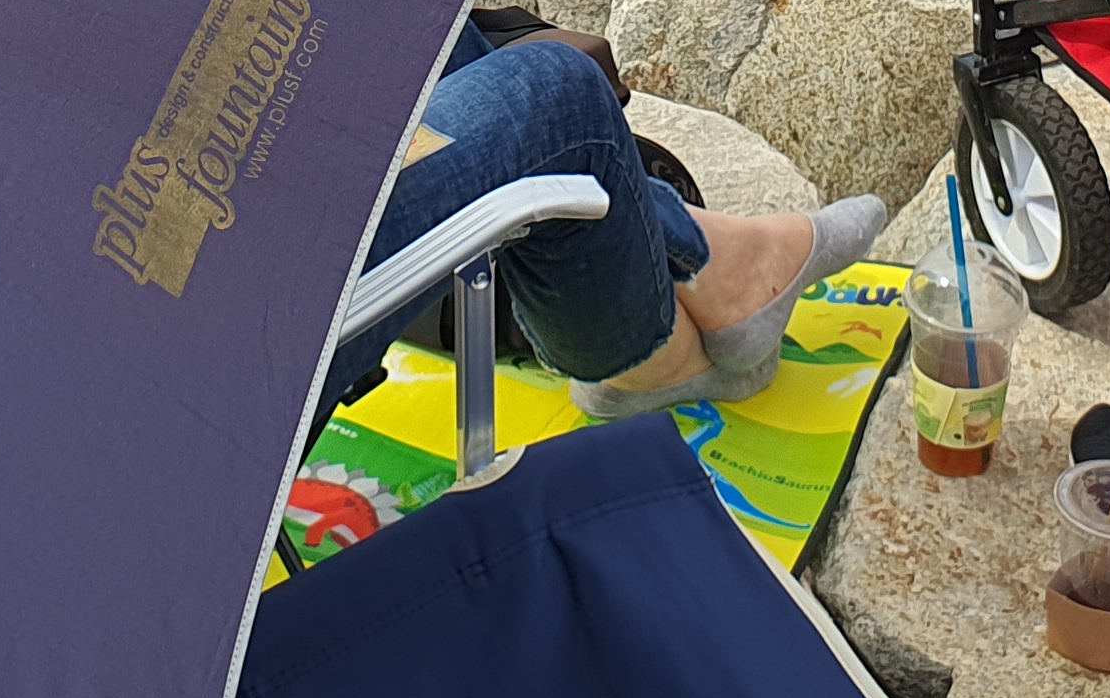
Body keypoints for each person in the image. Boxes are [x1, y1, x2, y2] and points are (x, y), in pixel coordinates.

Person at [330, 22, 885, 421]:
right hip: (290, 331)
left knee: (388, 13)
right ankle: (656, 346)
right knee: (561, 97)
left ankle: (702, 282)